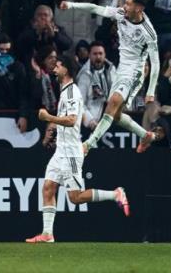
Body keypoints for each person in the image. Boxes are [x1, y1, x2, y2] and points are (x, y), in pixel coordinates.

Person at [25, 56, 129, 243]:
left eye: (58, 66)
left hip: (71, 153)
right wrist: (54, 130)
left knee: (75, 197)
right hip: (61, 151)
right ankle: (47, 234)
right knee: (48, 188)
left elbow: (72, 120)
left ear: (66, 69)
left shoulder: (72, 92)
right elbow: (66, 120)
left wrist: (48, 117)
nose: (54, 69)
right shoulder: (64, 91)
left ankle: (115, 194)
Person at [60, 0, 160, 154]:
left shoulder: (148, 32)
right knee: (117, 115)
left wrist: (150, 90)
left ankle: (88, 144)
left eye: (129, 4)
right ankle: (145, 135)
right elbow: (94, 8)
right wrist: (71, 5)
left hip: (135, 73)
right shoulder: (120, 14)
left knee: (112, 104)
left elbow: (155, 62)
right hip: (121, 70)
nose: (124, 6)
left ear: (139, 8)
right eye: (125, 2)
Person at [76, 41, 116, 130]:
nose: (98, 57)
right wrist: (90, 121)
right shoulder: (84, 75)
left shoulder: (112, 70)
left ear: (105, 55)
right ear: (89, 55)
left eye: (100, 53)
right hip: (93, 124)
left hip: (112, 120)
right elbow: (79, 103)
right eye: (95, 54)